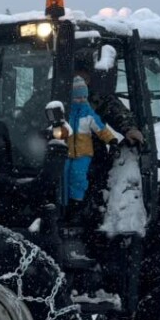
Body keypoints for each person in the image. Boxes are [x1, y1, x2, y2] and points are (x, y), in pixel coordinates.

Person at [65, 75, 118, 217]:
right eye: (77, 97)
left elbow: (101, 129)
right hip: (66, 152)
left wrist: (111, 140)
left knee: (78, 175)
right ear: (71, 97)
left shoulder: (89, 114)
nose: (81, 100)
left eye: (84, 97)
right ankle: (63, 200)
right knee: (63, 173)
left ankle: (77, 201)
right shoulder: (66, 114)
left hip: (83, 153)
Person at [74, 54, 145, 147]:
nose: (81, 83)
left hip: (94, 154)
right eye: (76, 79)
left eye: (84, 79)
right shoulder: (57, 100)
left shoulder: (97, 99)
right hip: (61, 153)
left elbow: (116, 111)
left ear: (89, 79)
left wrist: (129, 129)